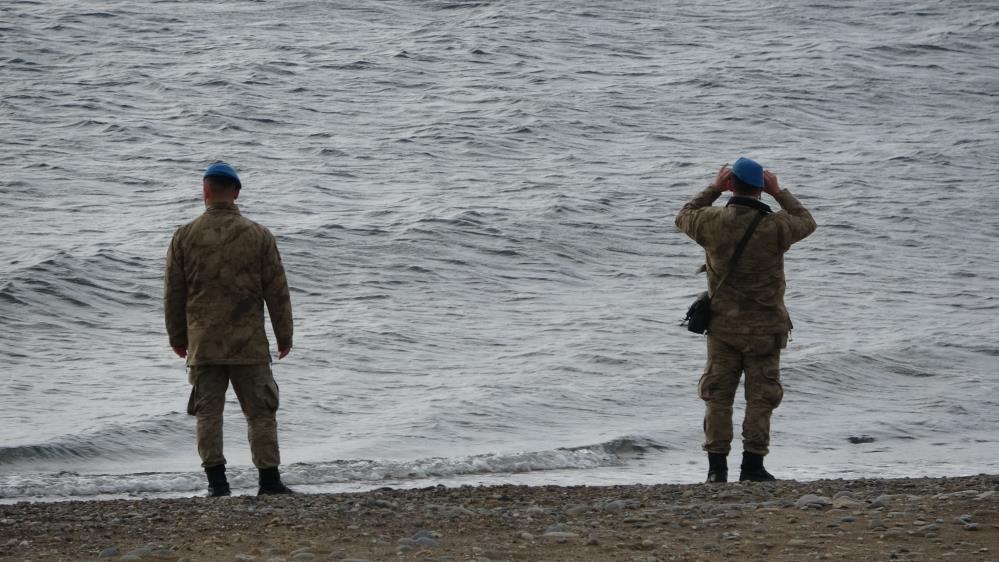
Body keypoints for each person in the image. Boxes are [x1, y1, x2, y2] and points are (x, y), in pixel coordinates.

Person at [675, 157, 816, 483]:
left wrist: (712, 188)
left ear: (730, 185)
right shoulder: (775, 226)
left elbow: (683, 215)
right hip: (766, 329)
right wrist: (780, 192)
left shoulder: (711, 222)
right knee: (761, 397)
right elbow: (806, 220)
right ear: (761, 189)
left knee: (718, 397)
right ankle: (752, 466)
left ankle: (716, 470)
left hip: (723, 328)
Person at [164, 162, 295, 496]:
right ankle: (269, 481)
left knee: (209, 414)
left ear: (205, 190)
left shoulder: (184, 236)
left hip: (204, 343)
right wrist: (284, 336)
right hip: (248, 343)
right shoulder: (259, 235)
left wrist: (178, 338)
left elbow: (173, 293)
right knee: (261, 413)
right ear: (236, 192)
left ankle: (217, 484)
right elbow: (277, 291)